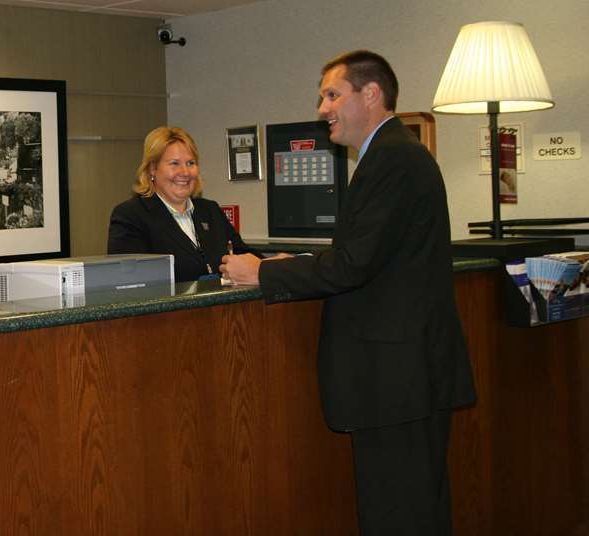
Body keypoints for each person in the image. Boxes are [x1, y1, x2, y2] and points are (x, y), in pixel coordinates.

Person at [220, 51, 476, 535]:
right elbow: (373, 255)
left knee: (401, 514)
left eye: (333, 94)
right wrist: (293, 264)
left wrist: (264, 275)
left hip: (398, 381)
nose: (322, 108)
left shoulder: (394, 159)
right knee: (411, 507)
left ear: (371, 95)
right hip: (402, 379)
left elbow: (355, 264)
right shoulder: (391, 155)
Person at [108, 126, 253, 282]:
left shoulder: (210, 210)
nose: (185, 172)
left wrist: (270, 265)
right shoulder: (130, 216)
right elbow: (130, 282)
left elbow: (244, 256)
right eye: (174, 163)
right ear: (152, 169)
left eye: (190, 163)